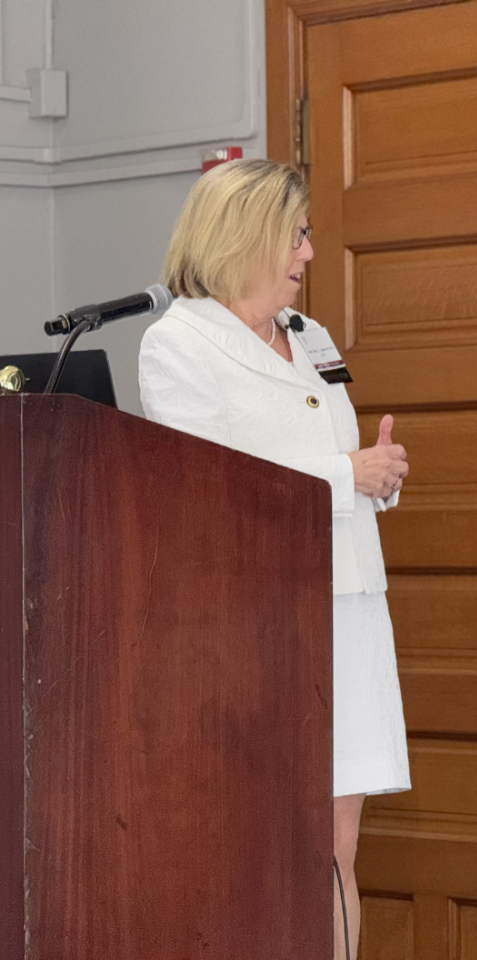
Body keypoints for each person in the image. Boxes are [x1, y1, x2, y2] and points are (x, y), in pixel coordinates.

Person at [137, 158, 410, 960]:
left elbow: (334, 460)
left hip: (349, 608)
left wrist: (378, 474)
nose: (309, 252)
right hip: (253, 623)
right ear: (244, 236)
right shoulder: (177, 344)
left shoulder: (310, 335)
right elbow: (210, 486)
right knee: (262, 846)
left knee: (336, 846)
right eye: (296, 234)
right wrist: (345, 475)